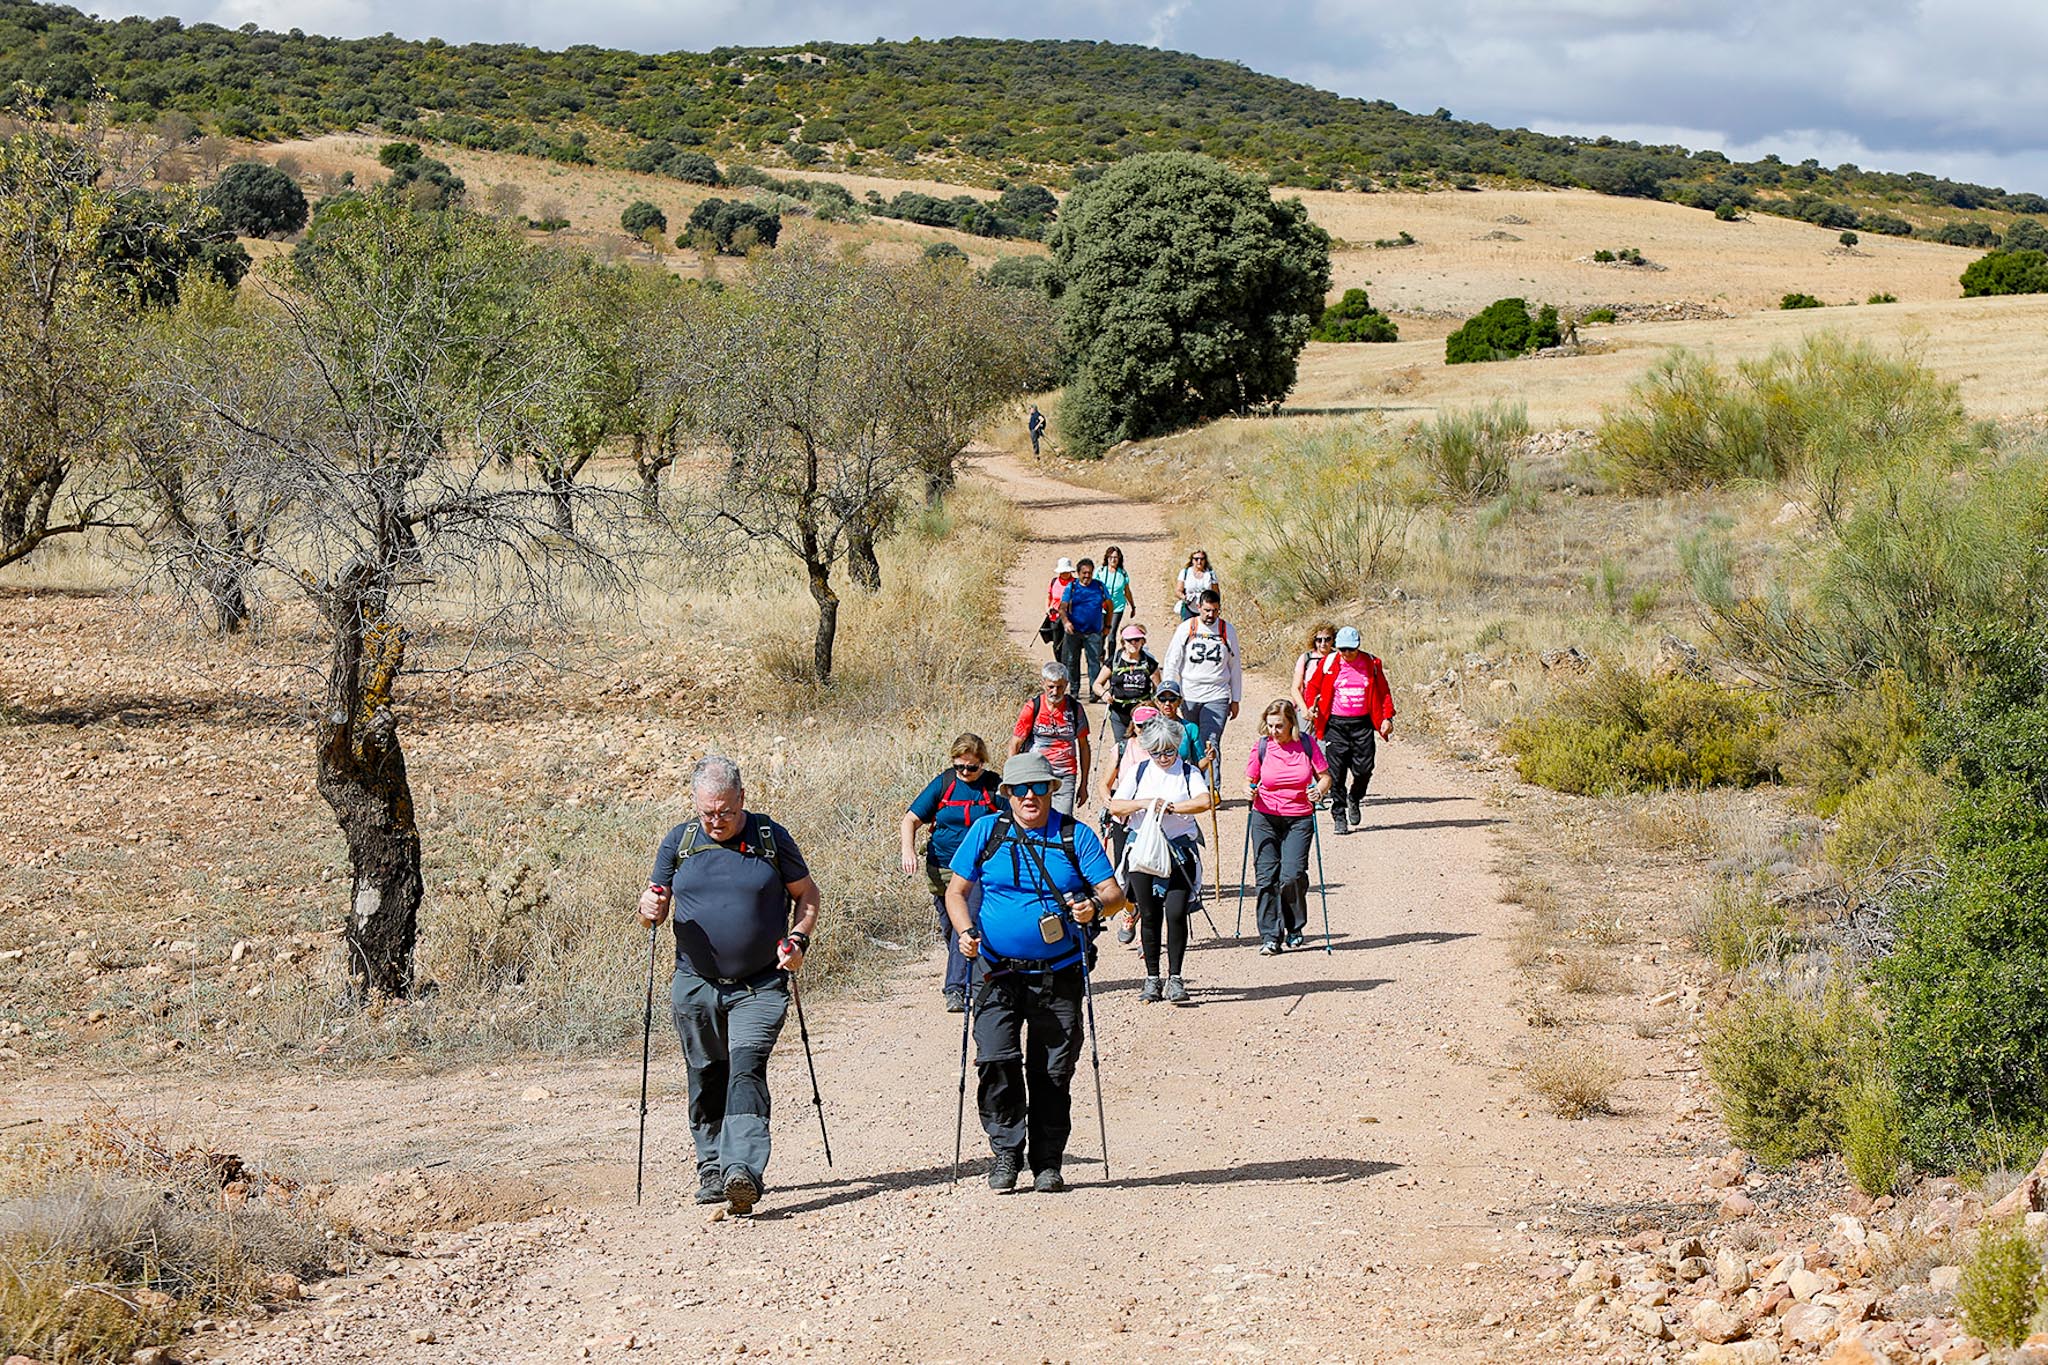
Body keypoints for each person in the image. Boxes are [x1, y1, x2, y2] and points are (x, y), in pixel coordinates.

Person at [638, 756, 820, 1216]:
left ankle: (742, 1169)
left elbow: (807, 895)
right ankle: (711, 1167)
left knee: (745, 1068)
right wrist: (649, 907)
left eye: (724, 811)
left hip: (760, 983)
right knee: (705, 1072)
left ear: (742, 798)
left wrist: (797, 938)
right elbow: (651, 911)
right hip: (695, 983)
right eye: (707, 813)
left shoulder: (768, 837)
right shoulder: (678, 842)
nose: (716, 822)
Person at [946, 753, 1125, 1193]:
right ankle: (1006, 1154)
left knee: (1052, 1071)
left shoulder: (1074, 836)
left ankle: (1047, 1161)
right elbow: (956, 892)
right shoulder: (987, 831)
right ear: (1006, 794)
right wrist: (966, 932)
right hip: (995, 971)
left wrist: (1094, 907)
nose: (1030, 796)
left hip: (1058, 972)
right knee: (995, 1061)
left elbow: (1115, 894)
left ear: (1051, 790)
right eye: (1021, 789)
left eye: (1039, 788)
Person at [1108, 716, 1217, 1005]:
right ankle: (1152, 977)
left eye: (1169, 751)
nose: (1163, 757)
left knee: (1176, 912)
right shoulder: (1137, 772)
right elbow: (1115, 805)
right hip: (1143, 853)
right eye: (1156, 752)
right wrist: (1145, 803)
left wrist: (1172, 807)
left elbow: (1205, 801)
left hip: (1179, 851)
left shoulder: (1189, 772)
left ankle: (1176, 978)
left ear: (1176, 746)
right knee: (1149, 913)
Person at [901, 735, 1003, 1013]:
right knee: (950, 930)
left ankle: (956, 989)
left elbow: (1014, 820)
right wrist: (908, 851)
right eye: (960, 767)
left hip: (977, 870)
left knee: (965, 925)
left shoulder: (995, 787)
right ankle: (972, 973)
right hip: (941, 867)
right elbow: (910, 819)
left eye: (972, 767)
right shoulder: (944, 783)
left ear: (983, 762)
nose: (966, 773)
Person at [1246, 700, 1331, 954]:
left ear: (1291, 723)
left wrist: (1319, 790)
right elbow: (1248, 779)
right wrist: (1249, 790)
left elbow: (1325, 777)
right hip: (1265, 817)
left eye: (1279, 726)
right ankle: (1270, 935)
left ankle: (1294, 926)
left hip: (1299, 817)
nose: (1274, 731)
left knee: (1292, 876)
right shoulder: (1262, 746)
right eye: (1270, 725)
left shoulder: (1306, 744)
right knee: (1265, 878)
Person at [1305, 626, 1396, 835]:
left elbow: (1383, 693)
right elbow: (1312, 687)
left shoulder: (1371, 663)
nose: (1346, 654)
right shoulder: (1329, 663)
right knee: (1336, 773)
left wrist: (1387, 717)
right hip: (1335, 725)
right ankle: (1339, 814)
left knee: (1364, 769)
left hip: (1362, 724)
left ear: (1358, 647)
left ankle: (1354, 797)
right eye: (1343, 650)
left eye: (1351, 650)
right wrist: (1311, 706)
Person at [1162, 589, 1241, 764]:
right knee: (1190, 742)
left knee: (1210, 742)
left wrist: (1235, 699)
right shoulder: (1186, 628)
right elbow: (1172, 661)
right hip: (1189, 694)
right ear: (1198, 607)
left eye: (1215, 610)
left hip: (1217, 694)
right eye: (1207, 610)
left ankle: (1213, 788)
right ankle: (1192, 784)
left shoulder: (1227, 630)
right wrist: (1168, 691)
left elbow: (1235, 667)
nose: (1210, 615)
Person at [1011, 661, 1091, 818]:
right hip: (1035, 774)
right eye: (1051, 687)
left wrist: (1084, 784)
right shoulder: (1033, 707)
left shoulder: (1075, 709)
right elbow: (1015, 743)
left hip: (1065, 775)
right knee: (1036, 818)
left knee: (1062, 822)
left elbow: (1083, 747)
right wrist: (1014, 778)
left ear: (1067, 685)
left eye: (1060, 687)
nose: (1055, 691)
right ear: (1043, 684)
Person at [1096, 623, 1160, 750]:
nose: (1133, 643)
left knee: (1144, 747)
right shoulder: (1114, 661)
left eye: (1137, 640)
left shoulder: (1150, 664)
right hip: (1119, 713)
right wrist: (1104, 694)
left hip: (1143, 714)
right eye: (1129, 640)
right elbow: (1097, 684)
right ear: (1123, 642)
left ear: (1143, 642)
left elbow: (1158, 690)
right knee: (1122, 749)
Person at [1058, 557, 1111, 701]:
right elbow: (1062, 607)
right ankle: (1074, 691)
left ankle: (1095, 692)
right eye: (1084, 573)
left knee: (1094, 662)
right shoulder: (1072, 587)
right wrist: (1066, 622)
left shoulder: (1099, 586)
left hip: (1094, 632)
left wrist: (1107, 625)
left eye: (1090, 573)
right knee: (1072, 661)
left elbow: (1109, 605)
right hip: (1074, 631)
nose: (1087, 576)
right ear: (1078, 573)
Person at [1293, 623, 1338, 725]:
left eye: (1327, 639)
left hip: (1332, 710)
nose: (1323, 643)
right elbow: (1296, 688)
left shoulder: (1338, 658)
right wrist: (1304, 709)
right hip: (1307, 707)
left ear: (1333, 640)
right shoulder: (1306, 658)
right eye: (1319, 640)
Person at [1097, 545, 1136, 643]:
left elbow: (1127, 591)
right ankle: (1099, 655)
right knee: (1101, 633)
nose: (1113, 560)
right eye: (1111, 557)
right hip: (1102, 607)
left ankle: (1111, 658)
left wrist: (1133, 606)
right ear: (1107, 558)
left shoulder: (1122, 573)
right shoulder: (1100, 571)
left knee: (1111, 634)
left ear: (1119, 559)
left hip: (1117, 607)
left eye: (1115, 557)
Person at [1041, 557, 1075, 659]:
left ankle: (1068, 666)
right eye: (1063, 571)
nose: (1065, 574)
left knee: (1069, 643)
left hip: (1070, 618)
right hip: (1055, 617)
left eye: (1066, 571)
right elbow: (1049, 597)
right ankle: (1059, 665)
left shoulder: (1076, 583)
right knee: (1056, 644)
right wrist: (1047, 608)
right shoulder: (1054, 582)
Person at [1175, 549, 1219, 621]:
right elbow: (1178, 591)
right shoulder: (1185, 573)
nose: (1199, 561)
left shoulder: (1211, 574)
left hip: (1207, 611)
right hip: (1189, 609)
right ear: (1192, 560)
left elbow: (1216, 593)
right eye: (1196, 559)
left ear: (1205, 560)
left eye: (1202, 559)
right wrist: (1185, 597)